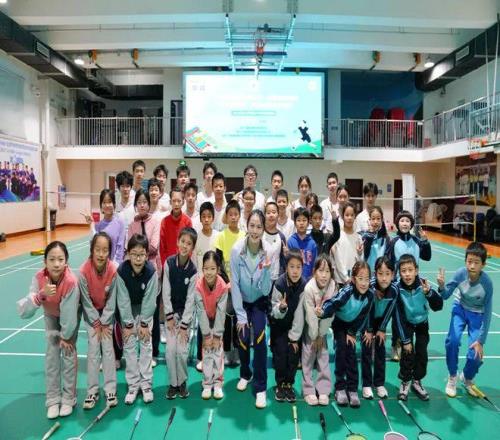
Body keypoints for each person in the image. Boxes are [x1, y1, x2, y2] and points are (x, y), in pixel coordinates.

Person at [17, 241, 80, 419]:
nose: (56, 264)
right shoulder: (38, 278)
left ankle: (68, 398)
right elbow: (24, 311)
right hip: (51, 316)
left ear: (66, 262)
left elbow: (69, 313)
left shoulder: (71, 282)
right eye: (52, 259)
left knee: (68, 353)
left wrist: (66, 337)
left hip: (70, 316)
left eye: (60, 259)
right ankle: (53, 399)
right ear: (45, 261)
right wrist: (40, 295)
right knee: (52, 355)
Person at [438, 242, 493, 398]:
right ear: (465, 261)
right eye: (469, 261)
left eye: (476, 262)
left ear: (483, 264)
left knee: (476, 353)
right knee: (452, 341)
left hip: (477, 314)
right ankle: (452, 376)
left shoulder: (487, 283)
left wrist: (481, 340)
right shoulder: (460, 274)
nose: (472, 266)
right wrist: (441, 287)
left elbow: (488, 313)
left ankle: (467, 377)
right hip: (460, 309)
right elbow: (445, 295)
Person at [230, 210, 273, 409]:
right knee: (243, 336)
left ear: (263, 229)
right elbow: (234, 284)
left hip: (259, 301)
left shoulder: (268, 251)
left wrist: (266, 271)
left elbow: (266, 290)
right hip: (242, 301)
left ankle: (260, 387)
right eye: (252, 226)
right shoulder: (236, 250)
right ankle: (245, 373)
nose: (255, 230)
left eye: (259, 227)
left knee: (260, 340)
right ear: (246, 227)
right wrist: (240, 315)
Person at [320, 261, 374, 408]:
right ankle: (340, 387)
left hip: (353, 325)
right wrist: (323, 311)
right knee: (342, 350)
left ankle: (352, 388)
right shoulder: (347, 292)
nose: (364, 283)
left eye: (367, 279)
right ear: (354, 279)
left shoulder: (370, 295)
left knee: (351, 353)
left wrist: (352, 332)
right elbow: (333, 303)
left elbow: (363, 316)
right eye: (360, 278)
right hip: (339, 323)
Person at [117, 234, 158, 405]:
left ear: (147, 255)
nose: (138, 258)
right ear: (128, 254)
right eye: (134, 254)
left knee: (146, 343)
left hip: (144, 310)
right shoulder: (122, 271)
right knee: (129, 345)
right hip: (128, 310)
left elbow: (150, 299)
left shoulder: (151, 272)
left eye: (141, 254)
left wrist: (144, 323)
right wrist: (128, 324)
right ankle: (133, 385)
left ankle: (146, 384)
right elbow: (122, 299)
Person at [395, 254, 443, 401]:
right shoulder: (397, 289)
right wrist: (405, 340)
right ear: (399, 272)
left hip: (422, 323)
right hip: (407, 323)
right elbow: (398, 316)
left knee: (422, 352)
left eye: (410, 270)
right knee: (407, 352)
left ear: (416, 270)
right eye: (403, 271)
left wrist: (429, 293)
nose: (407, 274)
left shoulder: (423, 285)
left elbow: (438, 306)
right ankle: (405, 381)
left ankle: (417, 381)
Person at [290, 255, 336, 406]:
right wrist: (315, 335)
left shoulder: (333, 287)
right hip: (309, 328)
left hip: (323, 328)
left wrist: (321, 335)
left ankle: (323, 390)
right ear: (314, 272)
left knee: (323, 357)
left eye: (327, 271)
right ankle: (308, 390)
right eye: (321, 271)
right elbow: (310, 316)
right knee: (308, 357)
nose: (324, 275)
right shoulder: (309, 288)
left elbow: (330, 315)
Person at [79, 232, 118, 409]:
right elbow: (86, 301)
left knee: (108, 348)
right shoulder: (83, 271)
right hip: (92, 315)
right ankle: (92, 391)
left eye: (105, 250)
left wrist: (105, 321)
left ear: (109, 252)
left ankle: (110, 389)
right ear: (92, 250)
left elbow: (112, 299)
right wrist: (96, 322)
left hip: (107, 315)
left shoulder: (113, 270)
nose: (101, 254)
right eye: (98, 250)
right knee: (94, 349)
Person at [386, 210, 432, 361]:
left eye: (407, 221)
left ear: (411, 224)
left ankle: (411, 343)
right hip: (398, 285)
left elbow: (427, 256)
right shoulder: (393, 242)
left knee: (411, 314)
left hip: (414, 285)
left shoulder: (417, 241)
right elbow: (388, 262)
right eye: (402, 221)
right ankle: (396, 344)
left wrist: (425, 241)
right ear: (397, 223)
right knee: (397, 316)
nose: (404, 223)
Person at [163, 227, 198, 399]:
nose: (185, 246)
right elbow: (166, 292)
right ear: (177, 242)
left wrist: (184, 325)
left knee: (182, 352)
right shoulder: (169, 263)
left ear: (193, 248)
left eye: (189, 243)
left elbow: (191, 300)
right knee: (170, 350)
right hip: (171, 316)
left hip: (185, 317)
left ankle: (182, 382)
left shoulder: (193, 271)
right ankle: (173, 384)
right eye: (182, 241)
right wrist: (169, 317)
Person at [269, 250, 306, 402]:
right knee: (280, 356)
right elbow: (273, 311)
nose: (295, 271)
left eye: (298, 267)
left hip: (295, 327)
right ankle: (280, 384)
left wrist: (294, 338)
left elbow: (300, 314)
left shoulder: (304, 286)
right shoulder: (279, 284)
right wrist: (281, 308)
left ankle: (288, 384)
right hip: (279, 326)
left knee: (293, 356)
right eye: (292, 266)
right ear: (286, 268)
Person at [361, 256, 398, 400]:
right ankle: (366, 384)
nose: (384, 278)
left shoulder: (394, 290)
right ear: (375, 274)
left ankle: (379, 383)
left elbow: (390, 311)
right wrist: (369, 330)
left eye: (387, 274)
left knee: (380, 351)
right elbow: (367, 309)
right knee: (366, 350)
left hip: (381, 321)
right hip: (367, 321)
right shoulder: (370, 286)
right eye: (380, 274)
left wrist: (382, 329)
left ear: (392, 275)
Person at [195, 251, 230, 400]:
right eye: (206, 268)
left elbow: (221, 312)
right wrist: (206, 335)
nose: (209, 272)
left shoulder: (222, 286)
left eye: (212, 269)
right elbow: (200, 311)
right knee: (207, 351)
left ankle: (218, 383)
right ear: (202, 269)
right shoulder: (198, 286)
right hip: (205, 321)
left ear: (218, 269)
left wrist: (216, 335)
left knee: (217, 351)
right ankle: (207, 384)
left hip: (217, 321)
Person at [214, 200, 245, 365]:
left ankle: (237, 352)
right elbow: (218, 261)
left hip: (240, 285)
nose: (233, 217)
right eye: (230, 214)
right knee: (226, 319)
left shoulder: (244, 236)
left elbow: (246, 261)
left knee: (239, 319)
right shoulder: (221, 236)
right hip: (225, 285)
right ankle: (226, 351)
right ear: (226, 216)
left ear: (239, 216)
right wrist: (228, 282)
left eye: (236, 214)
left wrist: (236, 282)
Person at [330, 201, 364, 288]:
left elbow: (360, 261)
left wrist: (360, 254)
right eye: (347, 215)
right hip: (340, 281)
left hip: (354, 281)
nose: (349, 218)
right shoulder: (337, 236)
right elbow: (337, 260)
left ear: (355, 216)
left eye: (352, 215)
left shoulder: (358, 237)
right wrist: (346, 278)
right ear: (342, 216)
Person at [90, 189, 126, 265]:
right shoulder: (98, 226)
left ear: (114, 204)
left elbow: (120, 246)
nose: (107, 205)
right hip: (101, 266)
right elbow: (94, 246)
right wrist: (91, 224)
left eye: (109, 202)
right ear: (101, 206)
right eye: (104, 202)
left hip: (115, 266)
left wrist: (115, 265)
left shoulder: (120, 222)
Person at [159, 187, 193, 267]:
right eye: (174, 201)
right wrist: (166, 265)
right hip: (168, 265)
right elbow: (162, 248)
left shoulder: (187, 221)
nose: (176, 204)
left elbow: (190, 245)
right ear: (170, 202)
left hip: (184, 265)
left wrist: (184, 263)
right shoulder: (164, 222)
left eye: (179, 201)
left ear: (183, 202)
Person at [287, 207, 317, 280]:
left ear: (308, 223)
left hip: (308, 281)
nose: (301, 223)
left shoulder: (312, 243)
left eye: (304, 220)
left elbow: (314, 266)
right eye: (298, 220)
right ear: (294, 223)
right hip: (293, 280)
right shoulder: (290, 241)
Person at [360, 206, 390, 272]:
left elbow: (387, 258)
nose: (375, 222)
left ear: (382, 220)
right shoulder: (365, 237)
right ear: (369, 220)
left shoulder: (386, 238)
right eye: (373, 219)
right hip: (368, 273)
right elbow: (364, 255)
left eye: (378, 219)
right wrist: (369, 236)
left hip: (381, 273)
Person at [263, 201, 287, 281]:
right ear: (264, 215)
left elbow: (283, 261)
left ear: (278, 214)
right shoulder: (259, 234)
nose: (271, 215)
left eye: (274, 212)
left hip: (275, 279)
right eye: (268, 213)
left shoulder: (281, 237)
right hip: (260, 277)